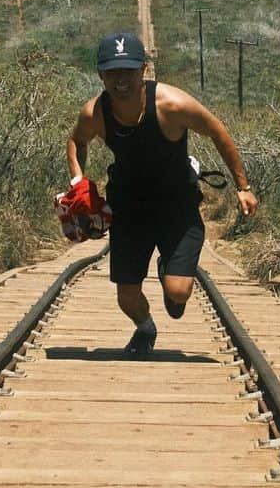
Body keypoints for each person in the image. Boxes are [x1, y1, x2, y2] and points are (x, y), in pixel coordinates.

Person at [66, 30, 259, 357]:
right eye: (112, 72)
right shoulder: (95, 113)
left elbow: (217, 130)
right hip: (128, 208)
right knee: (126, 297)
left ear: (144, 70)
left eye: (128, 71)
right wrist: (78, 183)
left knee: (179, 291)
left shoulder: (172, 105)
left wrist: (243, 188)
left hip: (177, 207)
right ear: (100, 75)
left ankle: (170, 275)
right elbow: (76, 141)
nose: (120, 80)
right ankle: (145, 327)